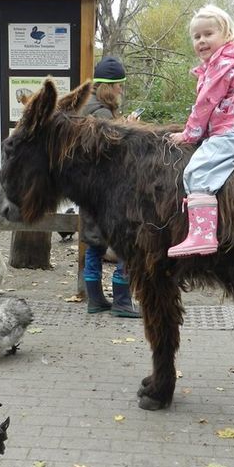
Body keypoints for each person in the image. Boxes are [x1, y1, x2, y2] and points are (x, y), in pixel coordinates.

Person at [167, 5, 234, 257]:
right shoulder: (229, 61)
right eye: (196, 36)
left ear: (227, 34)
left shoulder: (221, 65)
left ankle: (202, 235)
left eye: (208, 34)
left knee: (198, 170)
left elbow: (205, 104)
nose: (201, 40)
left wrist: (189, 134)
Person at [79, 56, 141, 318]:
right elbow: (113, 153)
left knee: (94, 247)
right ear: (108, 87)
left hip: (89, 191)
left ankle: (95, 301)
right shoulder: (102, 114)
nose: (121, 91)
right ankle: (122, 302)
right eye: (118, 86)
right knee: (126, 246)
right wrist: (131, 129)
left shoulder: (88, 108)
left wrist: (121, 123)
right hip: (109, 195)